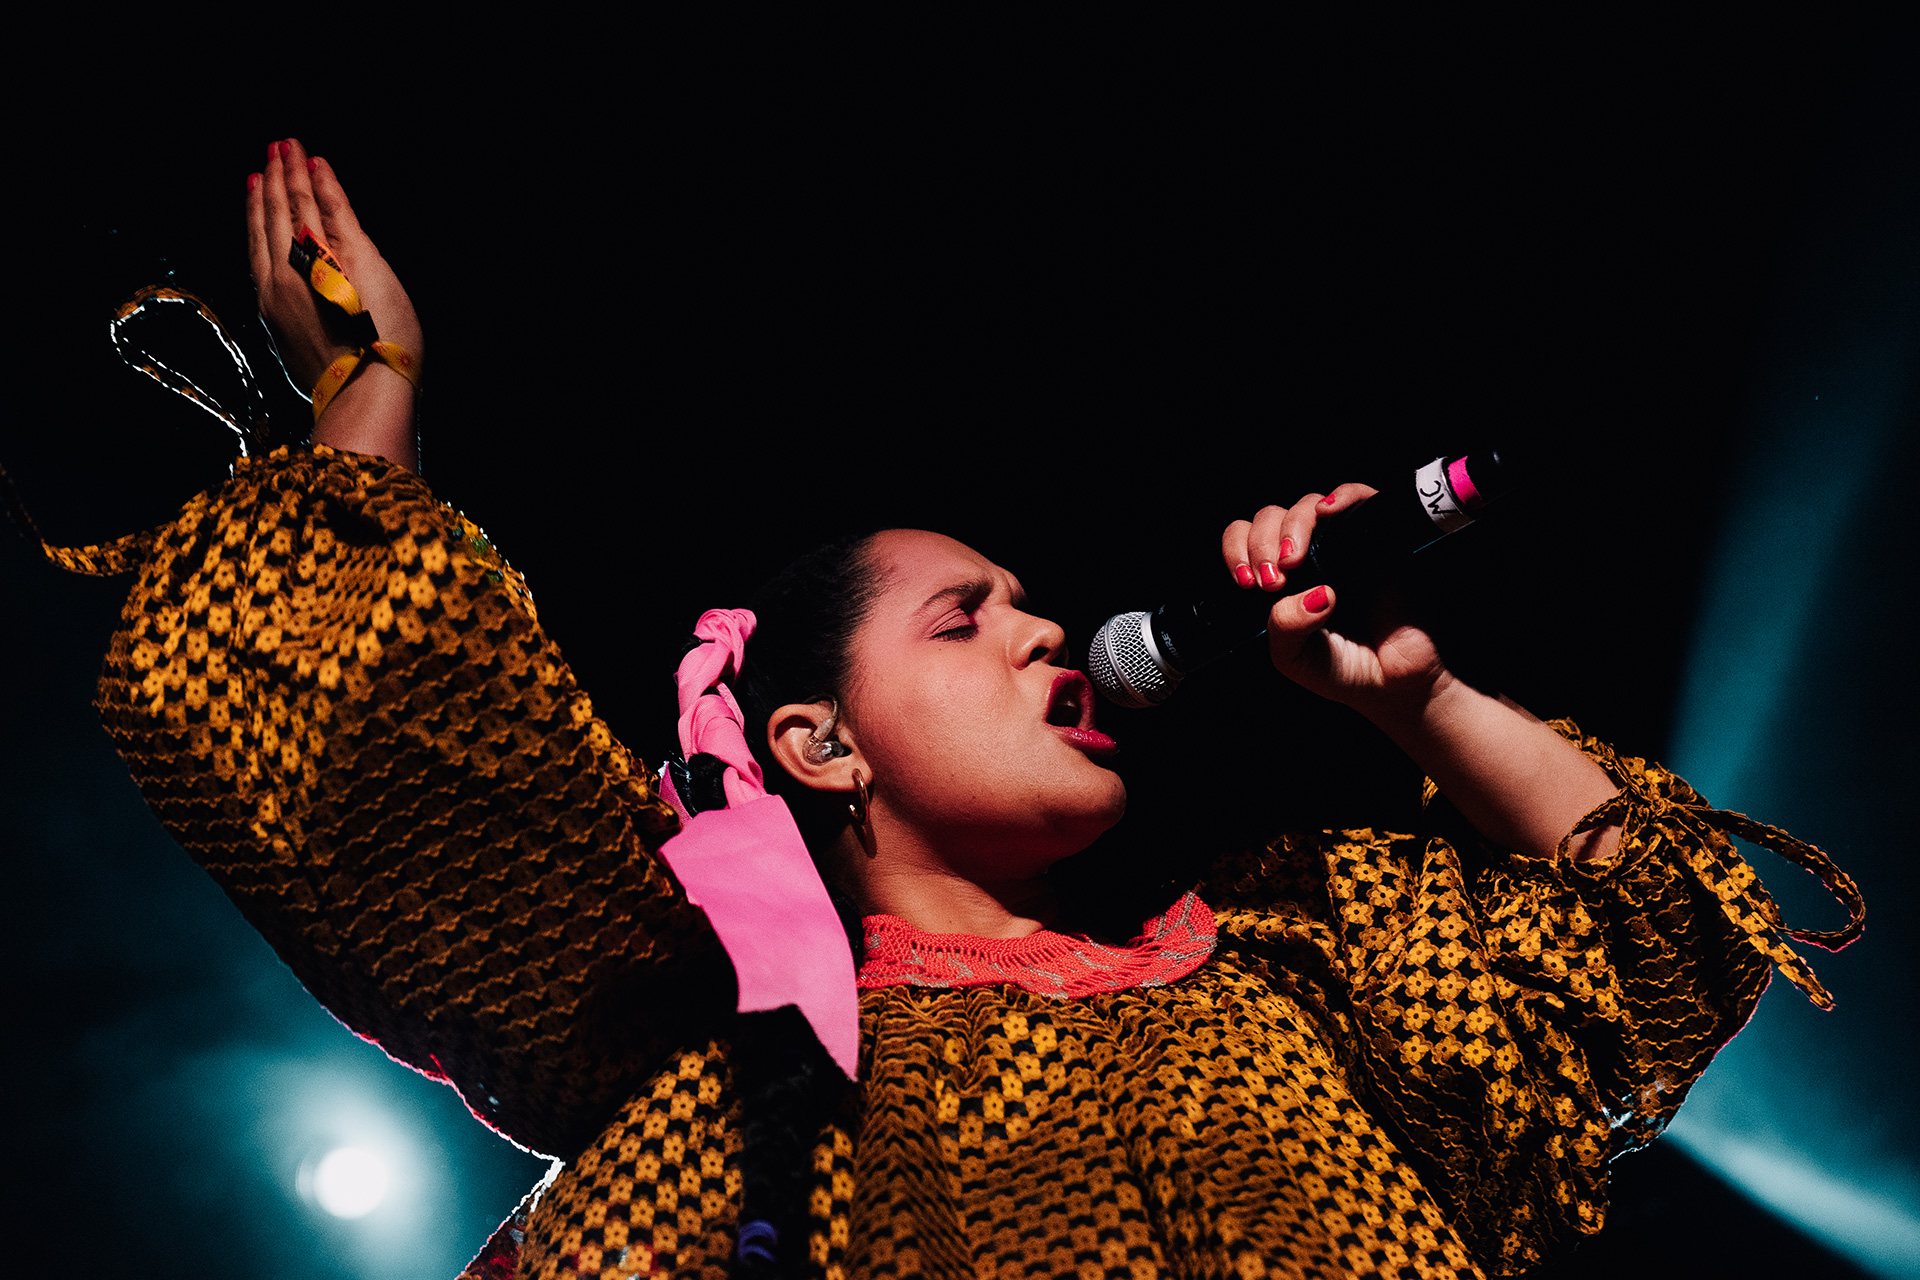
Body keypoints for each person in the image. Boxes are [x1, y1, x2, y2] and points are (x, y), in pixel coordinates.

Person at [78, 138, 1861, 1280]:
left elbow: (1661, 937)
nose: (1046, 631)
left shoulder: (1310, 976)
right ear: (820, 743)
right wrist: (369, 392)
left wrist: (1419, 697)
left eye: (1032, 603)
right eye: (968, 616)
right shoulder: (734, 1081)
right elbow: (369, 734)